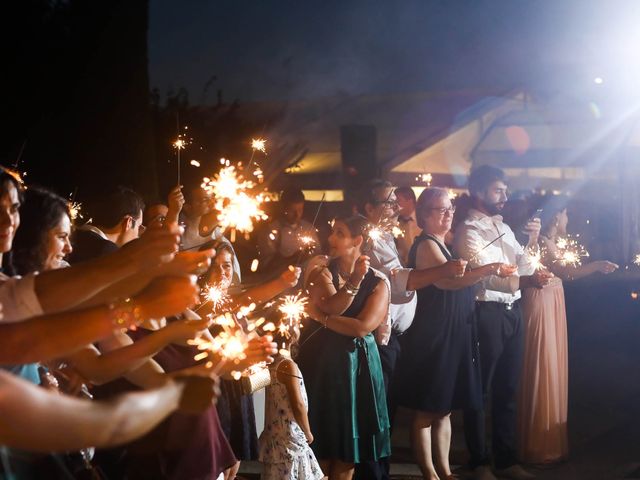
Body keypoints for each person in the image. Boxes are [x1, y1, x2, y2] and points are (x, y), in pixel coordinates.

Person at [394, 188, 515, 480]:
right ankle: (429, 473)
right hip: (435, 333)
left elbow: (458, 278)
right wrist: (489, 268)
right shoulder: (425, 245)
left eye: (450, 209)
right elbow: (449, 283)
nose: (448, 214)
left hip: (454, 330)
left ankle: (445, 470)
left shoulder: (442, 243)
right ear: (424, 215)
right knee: (427, 407)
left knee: (444, 408)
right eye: (440, 210)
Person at [354, 179, 466, 480]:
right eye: (387, 203)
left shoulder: (389, 236)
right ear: (369, 207)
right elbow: (395, 280)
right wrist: (442, 270)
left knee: (387, 413)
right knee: (379, 414)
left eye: (396, 202)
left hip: (394, 335)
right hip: (378, 335)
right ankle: (374, 474)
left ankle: (381, 472)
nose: (396, 208)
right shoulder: (369, 238)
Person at [454, 165, 552, 480]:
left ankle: (506, 460)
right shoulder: (468, 230)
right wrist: (525, 281)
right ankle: (479, 461)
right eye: (498, 190)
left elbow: (522, 263)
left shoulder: (505, 228)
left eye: (505, 190)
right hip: (486, 312)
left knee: (508, 387)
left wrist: (533, 246)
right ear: (479, 192)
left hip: (512, 312)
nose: (505, 197)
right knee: (481, 389)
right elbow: (489, 279)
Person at [517, 196, 618, 464]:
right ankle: (538, 445)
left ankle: (543, 442)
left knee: (550, 363)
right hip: (541, 304)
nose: (568, 220)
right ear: (554, 217)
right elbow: (567, 272)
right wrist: (597, 265)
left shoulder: (549, 242)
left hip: (552, 303)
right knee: (543, 363)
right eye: (565, 214)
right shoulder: (542, 242)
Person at [300, 214, 391, 480]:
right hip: (320, 365)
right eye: (332, 231)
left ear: (357, 241)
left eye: (339, 233)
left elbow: (362, 327)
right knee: (318, 447)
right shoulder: (321, 270)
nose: (330, 238)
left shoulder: (379, 281)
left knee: (348, 450)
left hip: (357, 368)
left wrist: (321, 319)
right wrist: (352, 284)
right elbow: (331, 303)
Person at [204, 243, 302, 480]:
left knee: (234, 462)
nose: (222, 272)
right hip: (216, 391)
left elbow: (249, 324)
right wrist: (281, 283)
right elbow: (249, 298)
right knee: (217, 462)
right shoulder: (204, 304)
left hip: (239, 388)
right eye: (215, 267)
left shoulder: (233, 304)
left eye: (226, 265)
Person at [259, 326, 324, 480]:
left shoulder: (272, 364)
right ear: (292, 335)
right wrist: (307, 430)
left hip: (275, 436)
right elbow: (298, 404)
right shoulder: (288, 365)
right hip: (290, 436)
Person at [258, 187, 320, 272]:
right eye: (292, 210)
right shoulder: (271, 230)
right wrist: (293, 259)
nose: (297, 215)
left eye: (300, 210)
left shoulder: (309, 228)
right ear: (283, 208)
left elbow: (318, 255)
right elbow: (266, 265)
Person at [394, 186, 421, 265]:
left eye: (398, 201)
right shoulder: (395, 223)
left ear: (410, 201)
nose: (395, 205)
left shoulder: (423, 219)